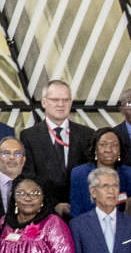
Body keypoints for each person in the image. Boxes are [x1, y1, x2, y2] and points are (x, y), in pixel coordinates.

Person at [20, 80, 88, 209]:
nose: (61, 104)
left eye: (66, 100)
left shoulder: (87, 134)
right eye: (55, 100)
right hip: (45, 211)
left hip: (80, 210)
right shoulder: (28, 136)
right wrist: (53, 205)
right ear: (44, 102)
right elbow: (29, 179)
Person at [67, 128, 131, 210]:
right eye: (103, 145)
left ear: (120, 150)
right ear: (95, 149)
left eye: (114, 145)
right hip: (87, 222)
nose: (108, 150)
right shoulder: (79, 173)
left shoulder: (130, 174)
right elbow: (76, 211)